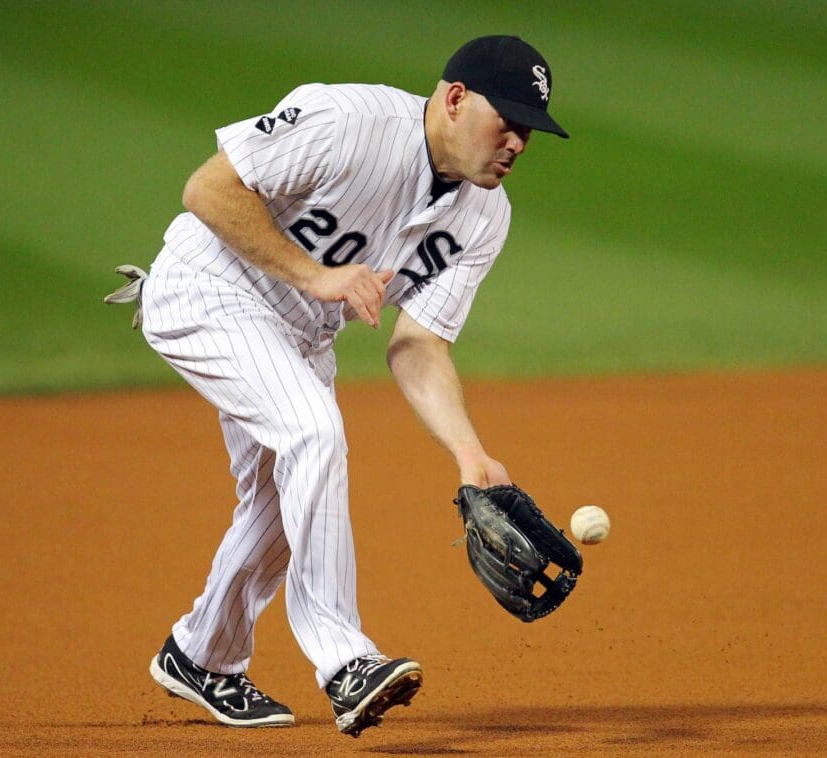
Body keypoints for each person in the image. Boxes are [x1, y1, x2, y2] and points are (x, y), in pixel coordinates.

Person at [112, 35, 569, 736]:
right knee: (314, 433)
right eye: (504, 119)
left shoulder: (484, 218)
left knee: (278, 510)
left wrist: (470, 457)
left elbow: (417, 345)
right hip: (208, 290)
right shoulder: (350, 122)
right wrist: (316, 276)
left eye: (528, 129)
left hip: (297, 336)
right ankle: (346, 663)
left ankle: (201, 655)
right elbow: (208, 188)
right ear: (454, 100)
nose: (516, 141)